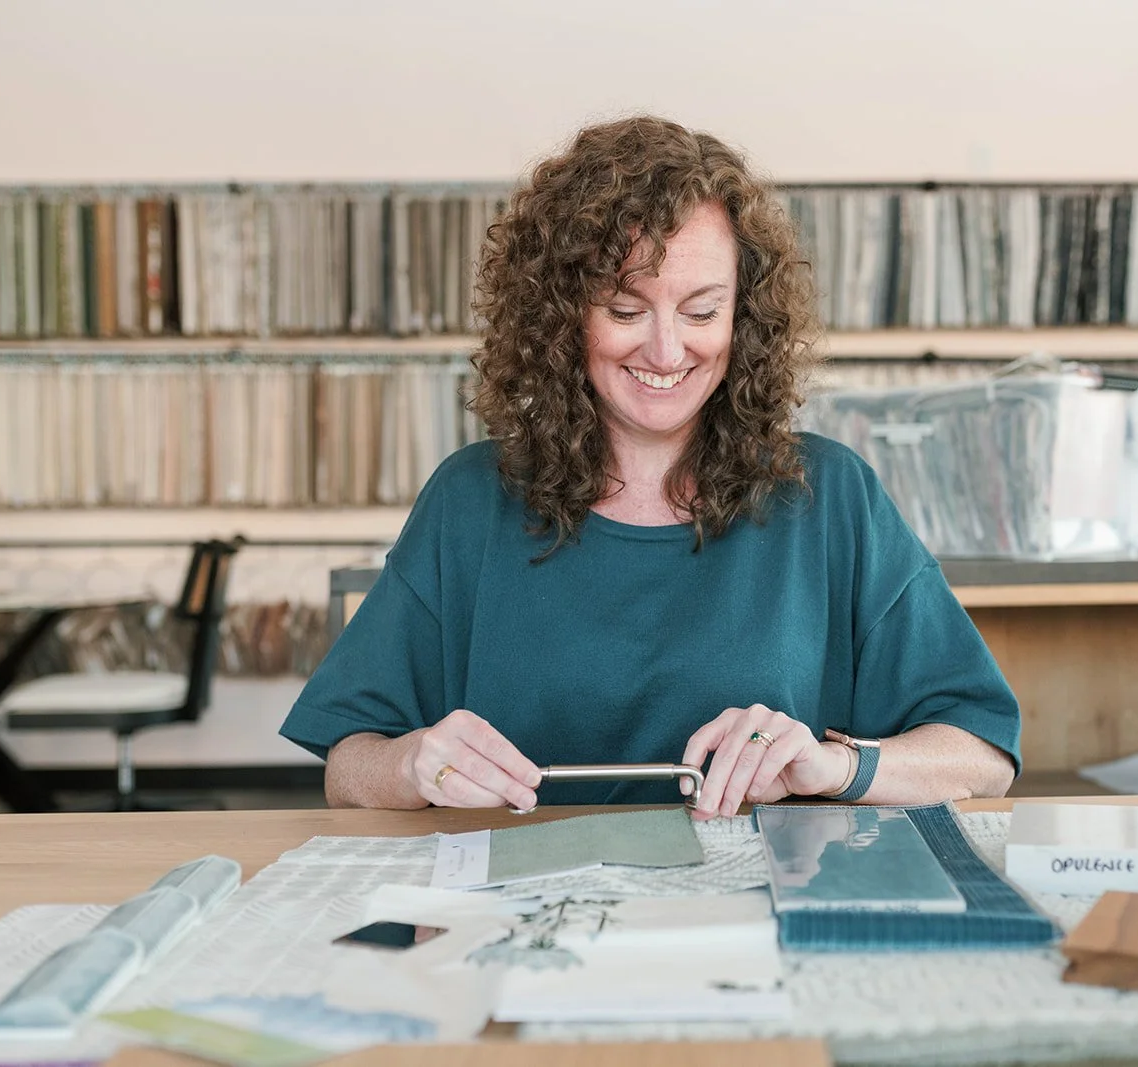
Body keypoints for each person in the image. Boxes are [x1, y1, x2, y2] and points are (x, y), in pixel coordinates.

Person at [279, 115, 1022, 819]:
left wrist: (836, 766)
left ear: (745, 318)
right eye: (627, 310)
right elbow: (347, 765)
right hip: (520, 932)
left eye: (701, 312)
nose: (667, 352)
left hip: (753, 929)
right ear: (562, 313)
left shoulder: (830, 497)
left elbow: (983, 754)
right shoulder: (470, 500)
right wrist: (412, 764)